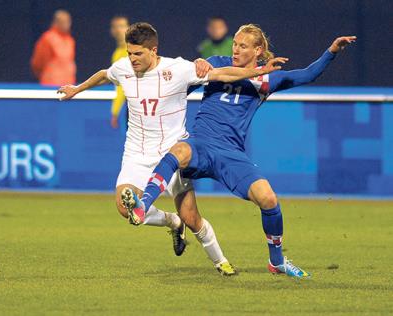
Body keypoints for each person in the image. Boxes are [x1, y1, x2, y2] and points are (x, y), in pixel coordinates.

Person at [125, 24, 356, 278]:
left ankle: (276, 262)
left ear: (258, 50)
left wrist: (332, 51)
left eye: (242, 46)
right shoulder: (216, 63)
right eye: (235, 43)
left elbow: (307, 74)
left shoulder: (267, 78)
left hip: (230, 153)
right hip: (200, 143)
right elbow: (177, 85)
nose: (235, 49)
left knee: (268, 198)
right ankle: (142, 205)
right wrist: (194, 68)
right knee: (178, 150)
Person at [57, 22, 285, 275]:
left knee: (192, 218)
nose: (132, 59)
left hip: (174, 153)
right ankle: (172, 221)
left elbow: (222, 74)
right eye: (129, 53)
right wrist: (76, 89)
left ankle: (221, 262)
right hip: (136, 154)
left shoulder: (177, 69)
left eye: (138, 54)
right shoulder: (123, 68)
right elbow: (104, 74)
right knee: (125, 209)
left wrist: (258, 71)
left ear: (153, 50)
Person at [31, 9, 76, 86]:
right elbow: (37, 63)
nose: (67, 25)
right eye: (63, 22)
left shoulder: (70, 40)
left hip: (69, 83)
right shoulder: (48, 38)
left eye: (68, 22)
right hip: (51, 84)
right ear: (56, 22)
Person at [109, 15, 129, 129]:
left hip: (146, 105)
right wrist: (115, 111)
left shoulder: (136, 48)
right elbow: (121, 85)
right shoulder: (117, 54)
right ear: (112, 31)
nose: (119, 30)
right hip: (132, 106)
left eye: (122, 26)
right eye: (116, 27)